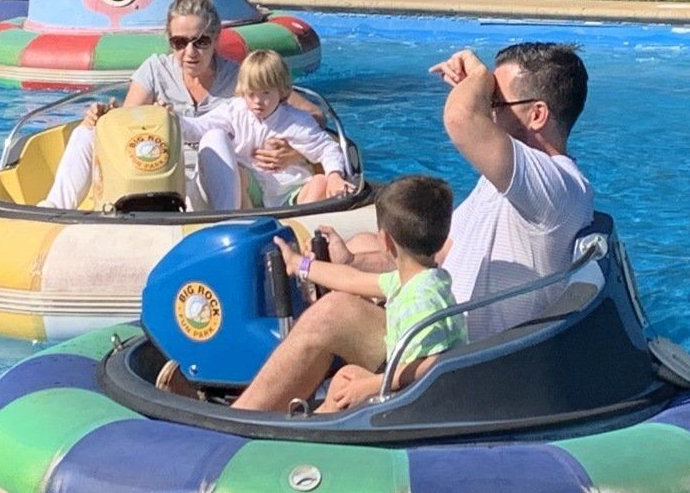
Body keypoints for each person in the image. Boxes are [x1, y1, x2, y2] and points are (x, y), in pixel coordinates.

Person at [169, 42, 592, 413]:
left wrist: (478, 77)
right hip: (440, 337)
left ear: (537, 114)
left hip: (464, 364)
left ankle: (233, 425)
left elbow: (461, 120)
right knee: (361, 254)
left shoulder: (553, 187)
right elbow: (444, 251)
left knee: (335, 314)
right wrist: (352, 261)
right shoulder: (513, 186)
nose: (486, 109)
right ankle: (275, 418)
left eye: (495, 102)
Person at [193, 175, 459, 413]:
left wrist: (370, 385)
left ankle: (285, 433)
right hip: (405, 383)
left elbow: (431, 365)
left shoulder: (423, 298)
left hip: (419, 398)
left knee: (348, 385)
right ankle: (302, 425)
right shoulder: (414, 279)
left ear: (385, 241)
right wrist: (300, 265)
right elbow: (351, 279)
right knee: (345, 378)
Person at [40, 0, 311, 210]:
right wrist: (105, 119)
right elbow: (125, 128)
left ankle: (222, 221)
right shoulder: (156, 70)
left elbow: (313, 115)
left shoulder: (241, 78)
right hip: (157, 177)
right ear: (170, 41)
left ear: (216, 38)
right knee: (86, 133)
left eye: (201, 41)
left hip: (213, 184)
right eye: (180, 43)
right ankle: (52, 209)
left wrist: (297, 153)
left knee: (214, 138)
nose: (190, 52)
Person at [179, 49, 351, 210]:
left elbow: (327, 148)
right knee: (221, 146)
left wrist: (334, 176)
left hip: (290, 190)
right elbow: (197, 127)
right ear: (243, 91)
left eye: (266, 93)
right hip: (251, 192)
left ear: (281, 92)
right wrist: (171, 119)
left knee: (320, 181)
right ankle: (235, 215)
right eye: (251, 94)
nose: (258, 101)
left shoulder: (296, 121)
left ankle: (300, 218)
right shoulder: (235, 111)